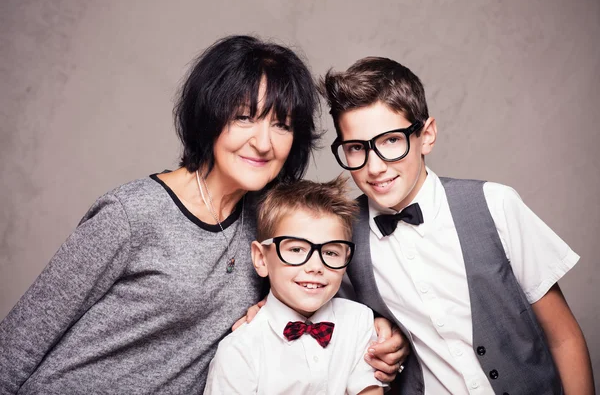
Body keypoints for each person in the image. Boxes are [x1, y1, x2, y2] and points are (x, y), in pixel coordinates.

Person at [0, 35, 403, 394]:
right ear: (210, 116)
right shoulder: (133, 213)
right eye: (244, 117)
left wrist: (381, 330)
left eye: (281, 125)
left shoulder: (272, 221)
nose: (262, 142)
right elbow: (18, 343)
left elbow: (325, 280)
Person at [320, 57, 595, 395]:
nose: (375, 167)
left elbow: (564, 337)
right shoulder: (342, 234)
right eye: (357, 148)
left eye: (391, 141)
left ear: (427, 135)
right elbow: (313, 308)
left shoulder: (495, 204)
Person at [204, 177, 385, 395]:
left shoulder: (359, 321)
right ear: (261, 259)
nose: (316, 266)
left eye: (330, 252)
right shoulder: (240, 350)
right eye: (297, 250)